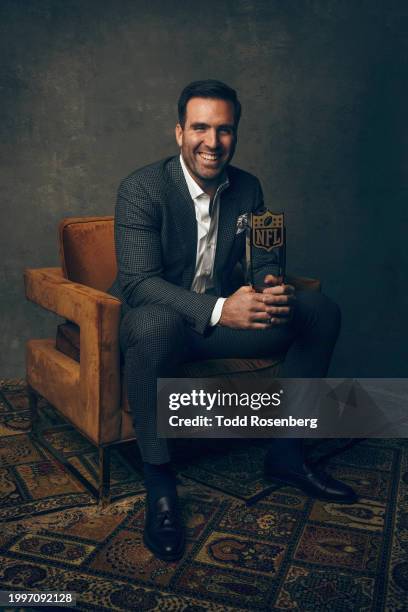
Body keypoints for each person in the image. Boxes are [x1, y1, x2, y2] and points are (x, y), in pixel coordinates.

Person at [109, 79, 357, 562]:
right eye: (200, 128)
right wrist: (224, 309)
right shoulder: (141, 190)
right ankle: (160, 486)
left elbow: (263, 257)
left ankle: (287, 454)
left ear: (235, 134)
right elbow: (139, 284)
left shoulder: (248, 187)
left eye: (224, 129)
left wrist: (269, 285)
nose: (213, 142)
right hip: (166, 328)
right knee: (152, 323)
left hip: (225, 325)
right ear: (179, 132)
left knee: (320, 311)